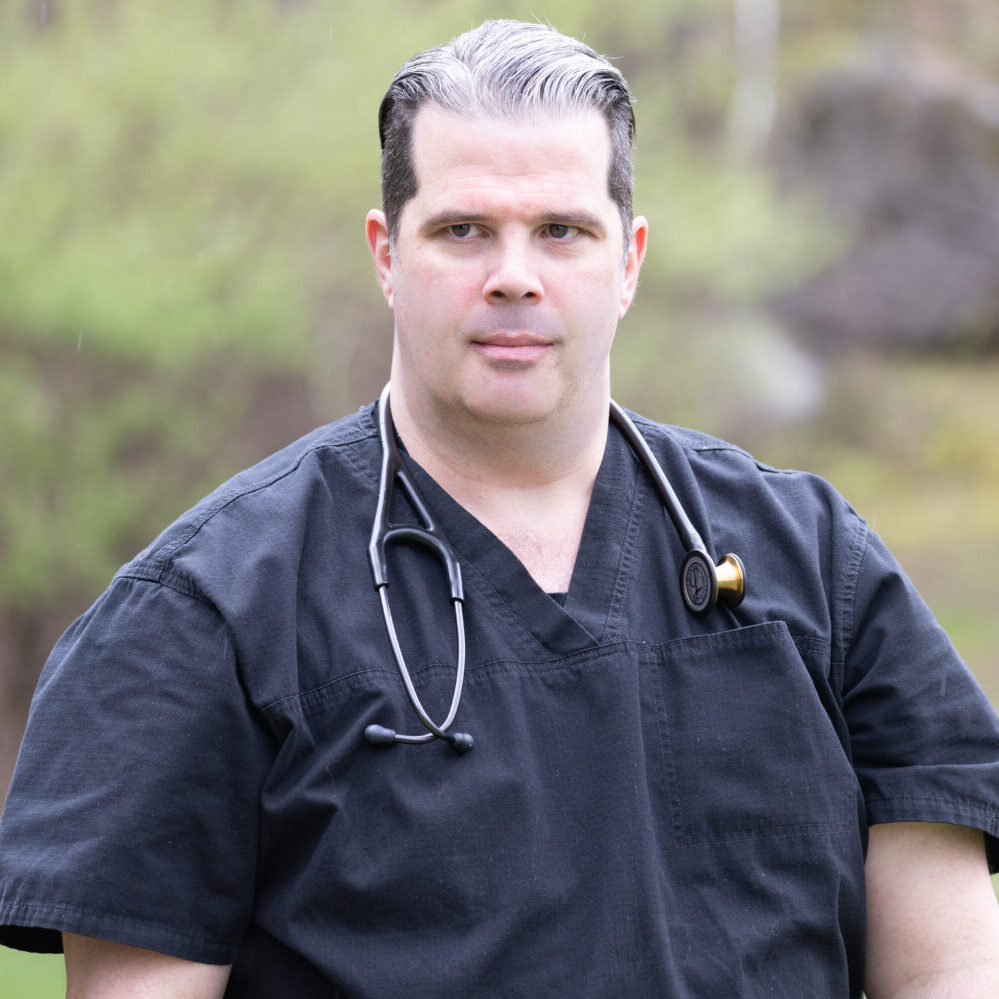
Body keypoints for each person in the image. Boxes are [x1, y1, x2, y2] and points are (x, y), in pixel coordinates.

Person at [1, 18, 998, 998]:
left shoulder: (816, 567)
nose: (513, 277)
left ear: (628, 261)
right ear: (387, 255)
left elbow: (950, 971)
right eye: (463, 231)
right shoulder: (201, 617)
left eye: (561, 231)